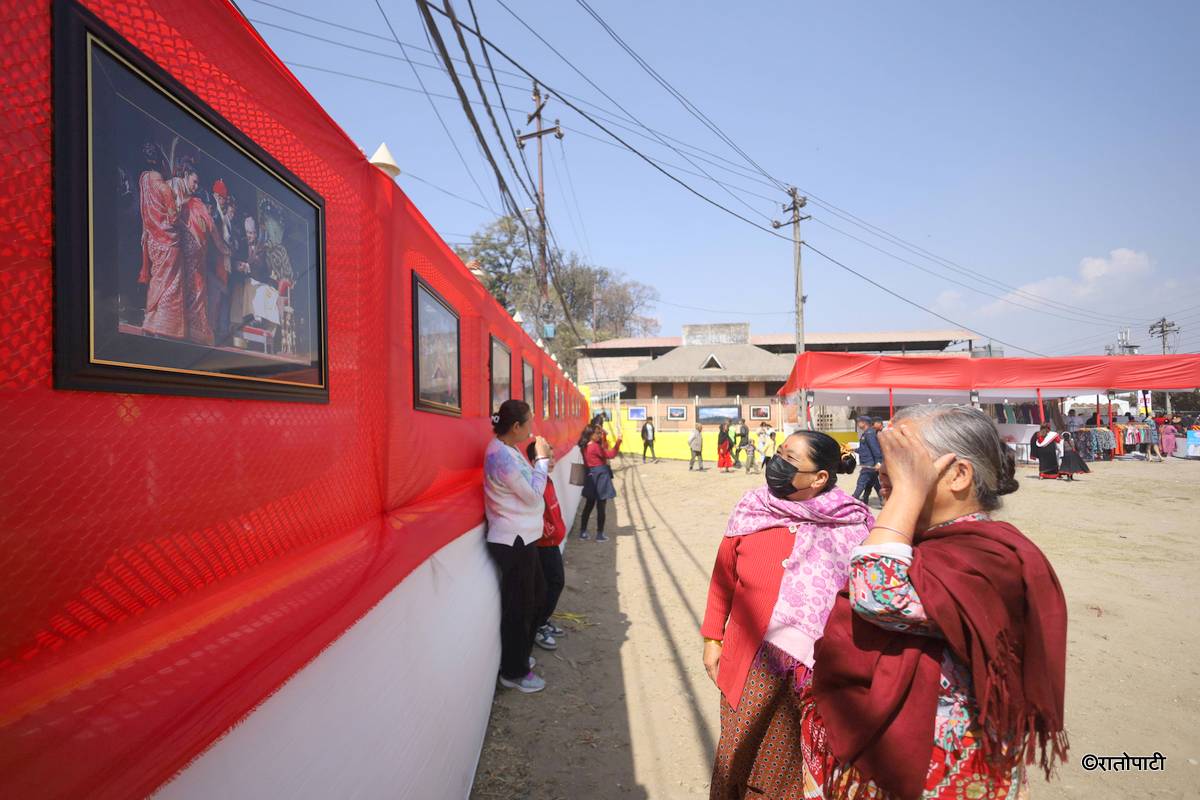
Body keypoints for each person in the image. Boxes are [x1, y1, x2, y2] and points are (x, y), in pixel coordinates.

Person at [802, 404, 1069, 799]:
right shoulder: (917, 542)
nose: (883, 469)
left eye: (904, 458)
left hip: (945, 770)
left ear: (958, 475)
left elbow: (877, 594)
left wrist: (906, 492)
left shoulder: (991, 555)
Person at [703, 431, 870, 799]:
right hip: (751, 662)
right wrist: (712, 638)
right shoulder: (752, 509)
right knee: (737, 754)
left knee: (795, 768)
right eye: (778, 453)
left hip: (819, 672)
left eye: (790, 460)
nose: (777, 464)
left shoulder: (855, 525)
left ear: (819, 477)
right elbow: (722, 578)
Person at [484, 400, 552, 694]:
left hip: (521, 539)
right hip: (513, 542)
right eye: (529, 422)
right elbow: (534, 497)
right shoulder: (502, 456)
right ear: (516, 427)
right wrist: (543, 460)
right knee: (519, 608)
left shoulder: (506, 450)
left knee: (534, 598)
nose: (532, 428)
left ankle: (519, 659)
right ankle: (513, 671)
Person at [527, 441, 568, 652]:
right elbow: (535, 513)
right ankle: (539, 624)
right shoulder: (537, 484)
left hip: (552, 542)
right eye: (547, 457)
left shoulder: (548, 482)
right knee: (554, 583)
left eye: (552, 457)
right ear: (534, 461)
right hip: (544, 545)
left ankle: (543, 620)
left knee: (553, 584)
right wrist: (549, 531)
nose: (552, 461)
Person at [580, 427, 621, 542]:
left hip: (591, 476)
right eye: (597, 433)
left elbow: (603, 450)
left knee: (588, 506)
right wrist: (618, 442)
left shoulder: (585, 446)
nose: (599, 435)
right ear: (590, 434)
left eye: (600, 433)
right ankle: (599, 534)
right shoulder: (594, 447)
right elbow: (610, 454)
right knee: (601, 507)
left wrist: (605, 437)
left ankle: (583, 532)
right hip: (601, 477)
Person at [853, 416, 884, 507]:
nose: (858, 424)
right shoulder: (866, 433)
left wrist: (879, 462)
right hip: (868, 462)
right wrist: (852, 450)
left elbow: (875, 449)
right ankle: (879, 499)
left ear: (864, 423)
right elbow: (864, 449)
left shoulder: (869, 433)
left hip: (869, 463)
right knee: (873, 482)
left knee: (861, 482)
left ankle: (853, 499)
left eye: (859, 422)